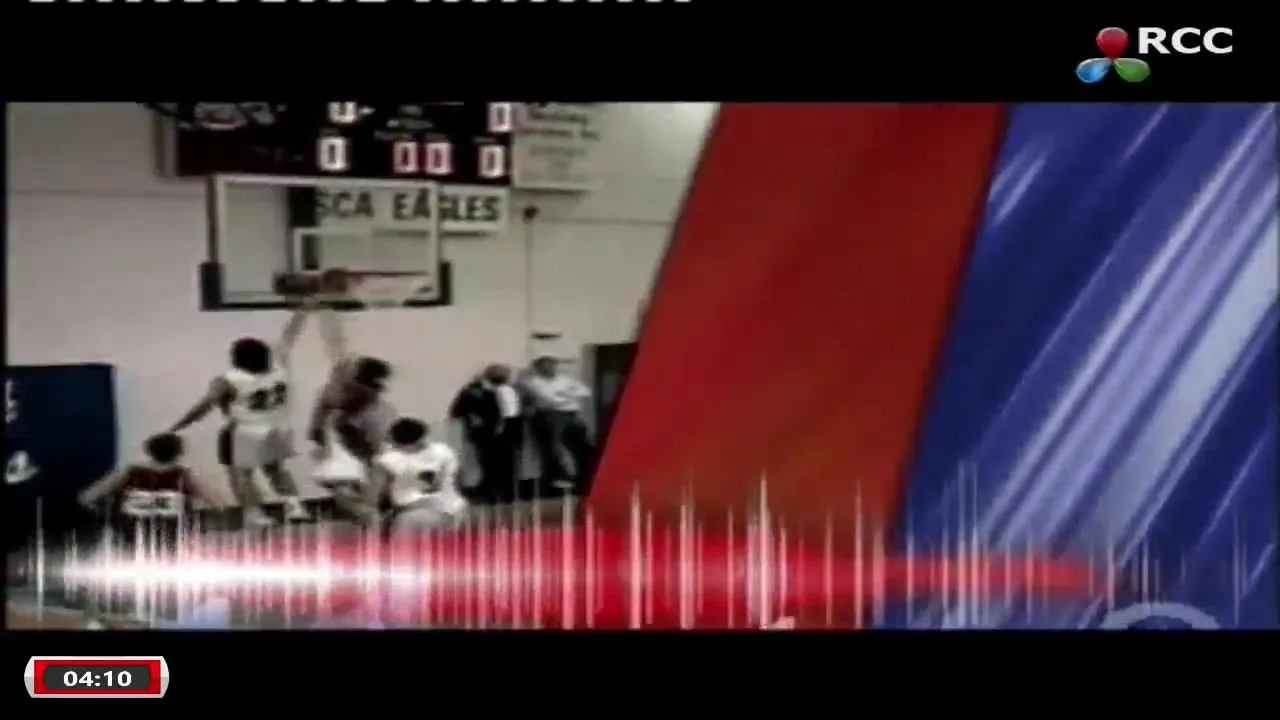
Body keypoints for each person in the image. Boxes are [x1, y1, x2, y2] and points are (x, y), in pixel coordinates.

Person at [168, 304, 314, 527]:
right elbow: (289, 335)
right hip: (276, 427)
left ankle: (254, 514)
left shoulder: (228, 380)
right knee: (276, 471)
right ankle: (296, 507)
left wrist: (177, 426)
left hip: (244, 431)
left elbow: (204, 407)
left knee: (241, 474)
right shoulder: (278, 367)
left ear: (236, 358)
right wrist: (303, 310)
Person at [308, 306, 397, 520]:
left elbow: (326, 409)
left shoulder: (363, 399)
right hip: (352, 432)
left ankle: (373, 508)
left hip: (365, 430)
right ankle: (371, 509)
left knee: (375, 470)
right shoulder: (340, 390)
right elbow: (322, 411)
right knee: (346, 481)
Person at [77, 433, 222, 541]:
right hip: (172, 535)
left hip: (133, 535)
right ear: (178, 452)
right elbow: (216, 501)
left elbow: (86, 498)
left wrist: (103, 510)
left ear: (150, 451)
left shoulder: (130, 473)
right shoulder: (184, 476)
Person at [364, 417, 466, 532]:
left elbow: (372, 498)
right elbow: (459, 479)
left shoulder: (388, 460)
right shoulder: (444, 451)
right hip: (454, 512)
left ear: (392, 438)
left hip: (413, 515)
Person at [448, 364, 521, 504]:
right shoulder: (474, 390)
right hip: (485, 433)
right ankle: (489, 495)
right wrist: (472, 417)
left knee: (508, 464)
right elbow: (458, 410)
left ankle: (508, 494)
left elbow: (512, 412)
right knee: (488, 464)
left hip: (507, 431)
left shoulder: (509, 390)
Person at [521, 356, 595, 493]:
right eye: (545, 366)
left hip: (572, 414)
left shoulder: (566, 379)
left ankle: (585, 477)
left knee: (581, 446)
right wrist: (567, 395)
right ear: (538, 368)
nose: (550, 368)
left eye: (552, 365)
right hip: (551, 415)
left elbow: (585, 392)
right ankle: (559, 478)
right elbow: (548, 399)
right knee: (555, 447)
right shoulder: (533, 382)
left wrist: (561, 395)